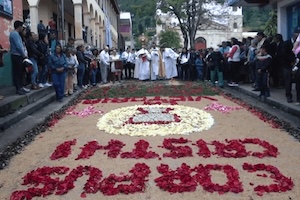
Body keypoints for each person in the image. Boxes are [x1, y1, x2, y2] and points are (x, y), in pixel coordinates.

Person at [9, 20, 28, 95]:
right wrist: (23, 54)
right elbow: (18, 46)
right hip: (17, 55)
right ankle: (18, 88)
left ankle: (20, 87)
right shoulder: (15, 34)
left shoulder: (15, 34)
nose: (22, 28)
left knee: (19, 72)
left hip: (17, 55)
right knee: (17, 72)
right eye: (22, 26)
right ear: (19, 27)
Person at [282, 29, 299, 103]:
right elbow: (283, 54)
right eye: (296, 34)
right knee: (288, 81)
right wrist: (291, 61)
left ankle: (298, 97)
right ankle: (288, 96)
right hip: (288, 65)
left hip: (298, 65)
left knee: (298, 82)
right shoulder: (286, 43)